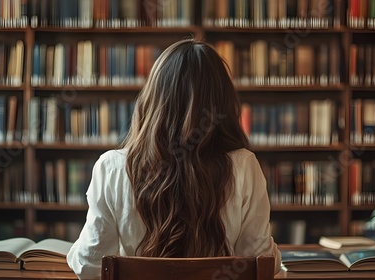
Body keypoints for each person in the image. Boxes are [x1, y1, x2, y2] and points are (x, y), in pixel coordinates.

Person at [67, 38, 281, 279]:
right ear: (223, 103)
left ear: (154, 99)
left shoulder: (112, 168)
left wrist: (74, 252)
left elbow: (89, 266)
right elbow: (261, 263)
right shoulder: (244, 166)